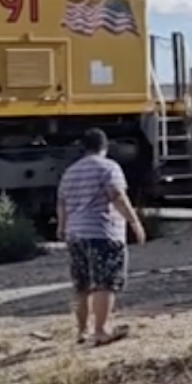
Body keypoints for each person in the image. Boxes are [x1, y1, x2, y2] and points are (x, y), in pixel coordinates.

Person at [56, 127, 147, 346]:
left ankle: (82, 331)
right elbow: (116, 195)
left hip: (76, 234)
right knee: (104, 283)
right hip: (102, 232)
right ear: (104, 147)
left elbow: (61, 203)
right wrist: (134, 222)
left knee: (82, 285)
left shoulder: (70, 172)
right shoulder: (109, 168)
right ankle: (101, 330)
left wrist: (62, 227)